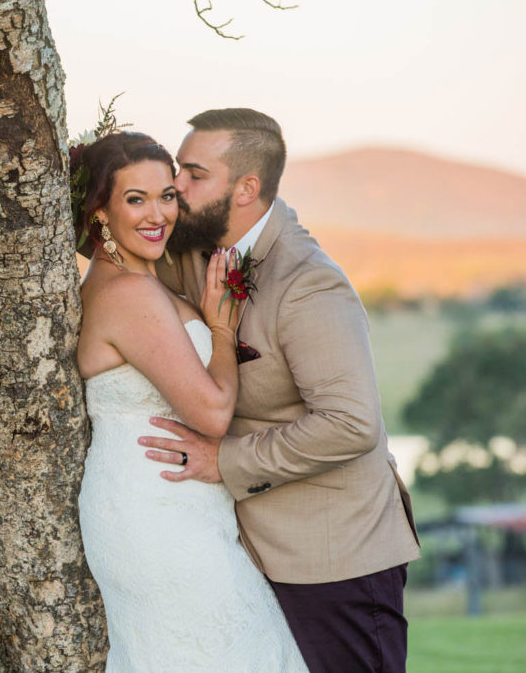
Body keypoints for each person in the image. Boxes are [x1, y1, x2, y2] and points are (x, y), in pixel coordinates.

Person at [140, 108, 422, 673]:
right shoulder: (191, 247)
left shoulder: (309, 283)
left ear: (246, 188)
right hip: (240, 549)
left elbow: (351, 424)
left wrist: (224, 460)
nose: (176, 187)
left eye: (194, 175)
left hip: (336, 558)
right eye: (178, 169)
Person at [73, 131, 308, 672]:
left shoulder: (138, 285)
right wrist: (222, 331)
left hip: (173, 509)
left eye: (167, 195)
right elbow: (211, 413)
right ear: (100, 213)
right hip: (157, 519)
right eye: (136, 199)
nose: (158, 215)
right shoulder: (128, 294)